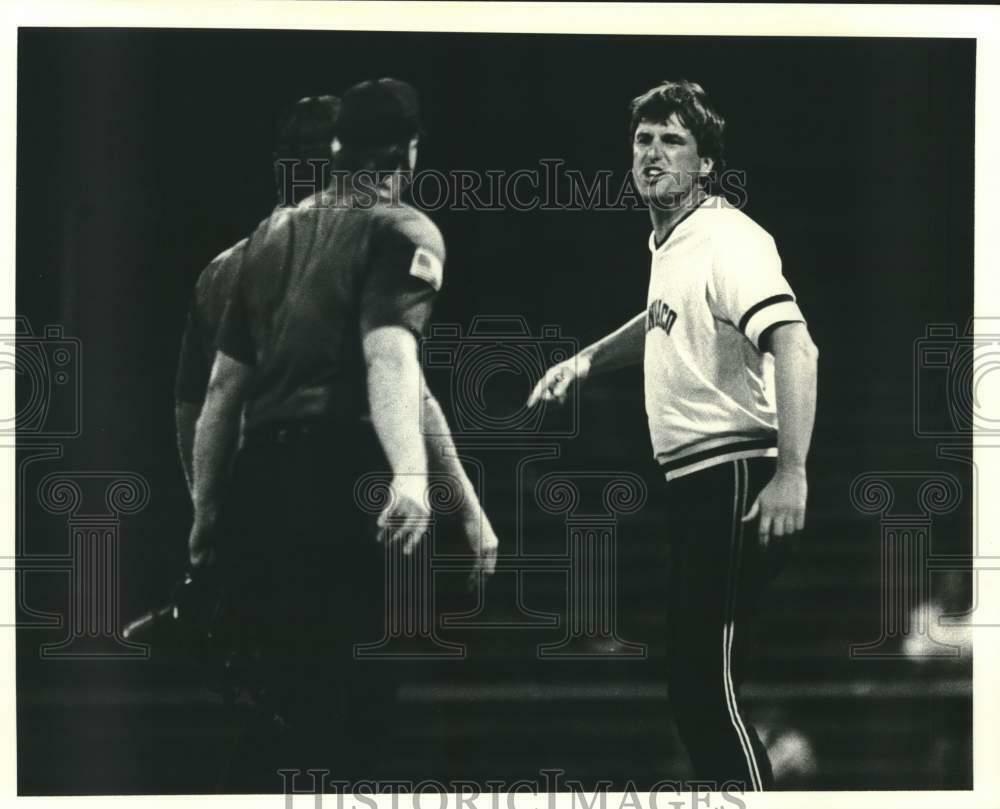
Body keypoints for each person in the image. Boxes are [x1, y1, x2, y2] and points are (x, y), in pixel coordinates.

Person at [186, 78, 498, 790]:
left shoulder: (267, 238)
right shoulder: (402, 229)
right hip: (339, 473)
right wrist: (413, 480)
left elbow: (220, 394)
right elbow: (390, 354)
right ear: (410, 151)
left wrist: (207, 520)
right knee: (355, 702)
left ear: (337, 149)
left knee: (281, 704)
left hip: (259, 484)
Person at [528, 80, 819, 791]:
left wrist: (792, 471)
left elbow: (798, 345)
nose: (653, 152)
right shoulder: (673, 241)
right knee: (699, 684)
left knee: (700, 683)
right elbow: (660, 318)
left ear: (707, 164)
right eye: (643, 138)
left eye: (672, 140)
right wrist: (588, 358)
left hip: (735, 475)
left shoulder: (727, 238)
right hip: (697, 482)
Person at [174, 94, 343, 491]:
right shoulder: (360, 260)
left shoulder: (220, 270)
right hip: (332, 491)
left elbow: (192, 409)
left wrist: (205, 508)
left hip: (250, 499)